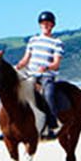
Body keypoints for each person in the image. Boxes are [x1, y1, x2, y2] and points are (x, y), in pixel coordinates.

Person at [15, 10, 64, 138]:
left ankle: (53, 125)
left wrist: (47, 67)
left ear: (53, 25)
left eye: (48, 23)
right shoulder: (33, 40)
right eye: (43, 23)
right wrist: (19, 65)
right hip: (31, 74)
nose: (46, 26)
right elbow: (26, 59)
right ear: (40, 25)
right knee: (14, 91)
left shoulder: (57, 42)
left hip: (47, 76)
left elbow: (56, 63)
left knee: (48, 94)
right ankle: (10, 125)